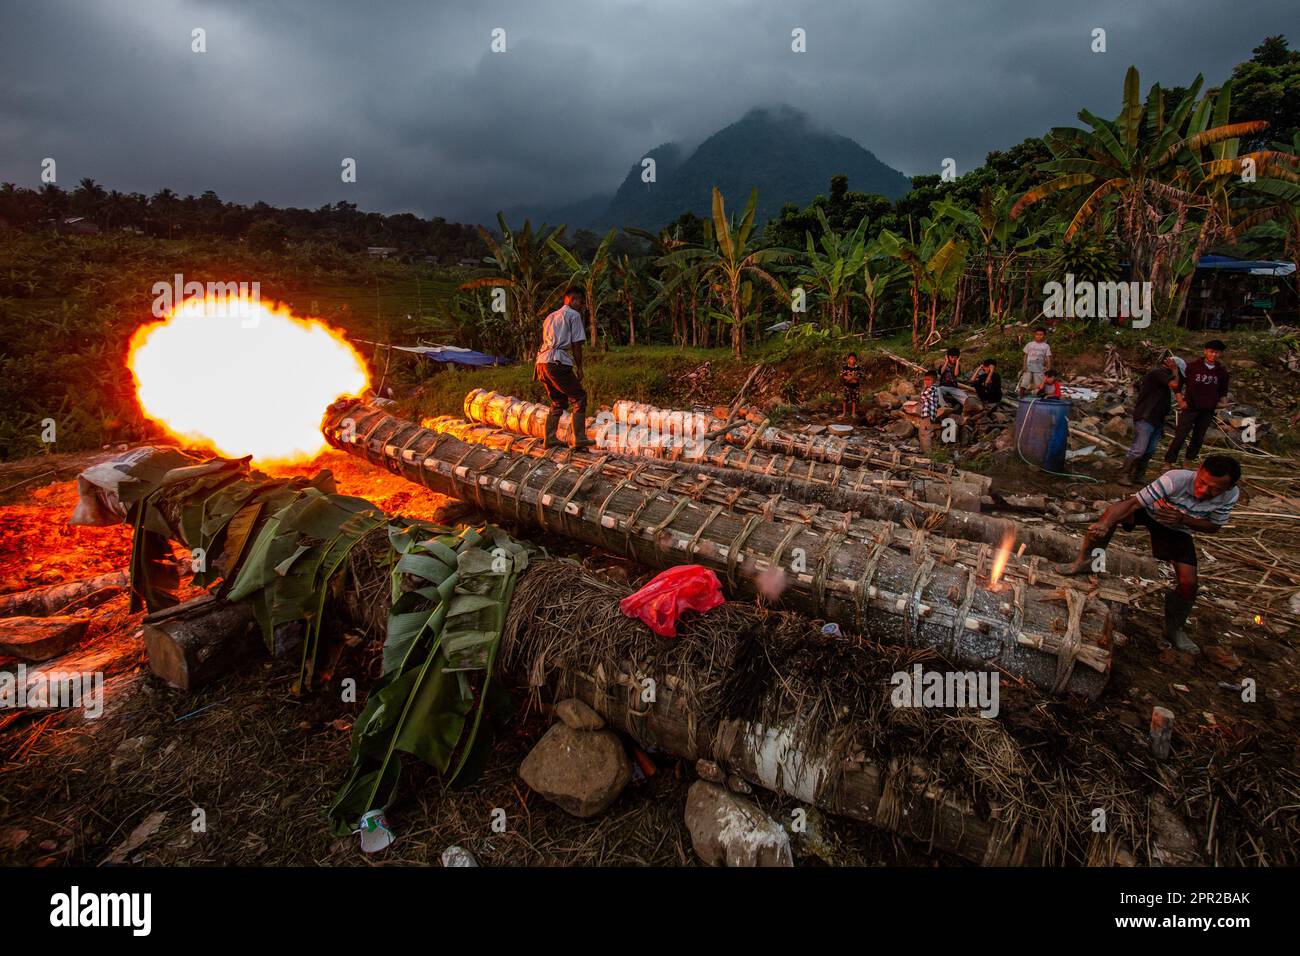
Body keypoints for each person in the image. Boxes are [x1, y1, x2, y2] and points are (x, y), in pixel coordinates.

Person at [1058, 455, 1242, 654]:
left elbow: (1214, 526)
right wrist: (1105, 524)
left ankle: (1174, 629)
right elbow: (1132, 504)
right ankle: (1084, 563)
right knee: (1111, 514)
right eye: (1202, 482)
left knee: (1189, 583)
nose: (1204, 491)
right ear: (1198, 471)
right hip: (1150, 511)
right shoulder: (1175, 479)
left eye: (1215, 489)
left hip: (1178, 527)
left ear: (1229, 487)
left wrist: (1184, 519)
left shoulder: (1230, 496)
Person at [535, 287, 594, 450]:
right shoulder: (573, 316)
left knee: (558, 400)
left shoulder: (550, 317)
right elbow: (576, 344)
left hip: (542, 362)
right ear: (571, 299)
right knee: (579, 397)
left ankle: (550, 438)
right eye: (580, 301)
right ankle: (579, 438)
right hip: (557, 362)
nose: (581, 305)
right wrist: (580, 367)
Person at [1121, 354, 1185, 486]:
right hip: (1146, 416)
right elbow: (1175, 385)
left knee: (1149, 450)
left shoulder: (1165, 376)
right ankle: (1125, 475)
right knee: (1139, 449)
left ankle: (1138, 474)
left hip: (1157, 418)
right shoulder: (1158, 373)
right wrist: (1174, 370)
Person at [1164, 340, 1229, 467]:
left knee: (1198, 438)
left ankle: (1187, 462)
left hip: (1207, 411)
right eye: (1211, 351)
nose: (1213, 355)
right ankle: (1168, 462)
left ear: (1220, 354)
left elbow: (1223, 392)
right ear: (1205, 351)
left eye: (1217, 352)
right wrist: (1180, 401)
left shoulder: (1221, 372)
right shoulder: (1192, 367)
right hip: (1190, 408)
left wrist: (1222, 404)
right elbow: (1178, 385)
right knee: (1180, 436)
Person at [1018, 327, 1052, 396]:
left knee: (1039, 385)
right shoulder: (1029, 344)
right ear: (1034, 335)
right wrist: (1024, 366)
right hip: (1028, 367)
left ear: (1044, 336)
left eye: (1041, 334)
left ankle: (1037, 397)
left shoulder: (1046, 346)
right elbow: (1025, 355)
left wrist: (1049, 367)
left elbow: (1048, 357)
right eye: (1037, 334)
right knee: (1024, 383)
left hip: (1039, 368)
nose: (1039, 336)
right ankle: (1021, 396)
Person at [840, 352, 862, 418]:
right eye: (851, 359)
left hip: (855, 387)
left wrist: (851, 378)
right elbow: (842, 376)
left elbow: (859, 377)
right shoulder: (845, 367)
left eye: (854, 359)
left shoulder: (857, 368)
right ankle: (844, 413)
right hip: (847, 386)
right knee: (845, 399)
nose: (852, 360)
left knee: (854, 400)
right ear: (848, 360)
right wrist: (852, 378)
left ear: (855, 360)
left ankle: (853, 413)